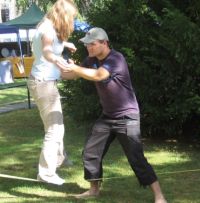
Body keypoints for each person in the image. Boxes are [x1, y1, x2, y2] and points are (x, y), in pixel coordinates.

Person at [62, 27, 167, 202]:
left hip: (127, 116)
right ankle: (93, 190)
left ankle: (159, 196)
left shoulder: (116, 58)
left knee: (136, 158)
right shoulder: (91, 60)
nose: (89, 48)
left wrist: (75, 68)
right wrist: (59, 63)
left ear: (105, 43)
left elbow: (98, 76)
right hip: (108, 116)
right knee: (90, 151)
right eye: (87, 45)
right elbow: (70, 75)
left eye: (93, 44)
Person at [27, 0, 77, 185]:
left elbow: (49, 46)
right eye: (70, 17)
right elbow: (47, 51)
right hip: (43, 84)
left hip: (44, 82)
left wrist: (65, 44)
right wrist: (57, 60)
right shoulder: (48, 30)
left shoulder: (47, 26)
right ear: (62, 15)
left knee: (57, 125)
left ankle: (59, 159)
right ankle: (46, 174)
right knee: (54, 129)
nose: (71, 20)